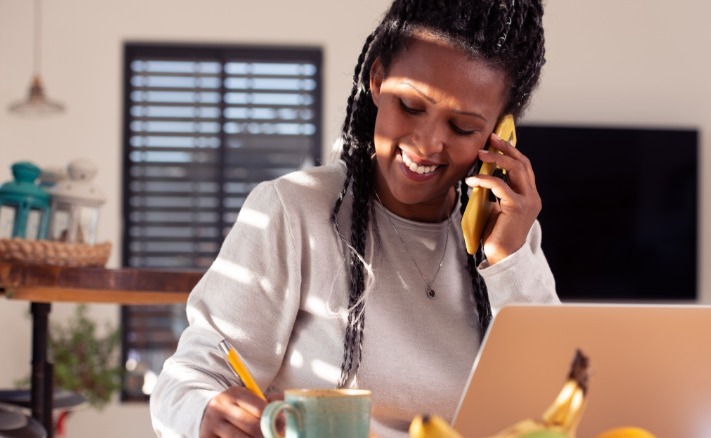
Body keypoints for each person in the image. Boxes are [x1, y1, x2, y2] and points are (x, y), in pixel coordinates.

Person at [150, 0, 558, 436]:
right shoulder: (292, 211)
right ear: (378, 80)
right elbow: (189, 379)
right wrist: (205, 411)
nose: (427, 143)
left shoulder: (505, 238)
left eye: (462, 127)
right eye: (411, 106)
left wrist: (508, 261)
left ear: (499, 132)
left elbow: (556, 400)